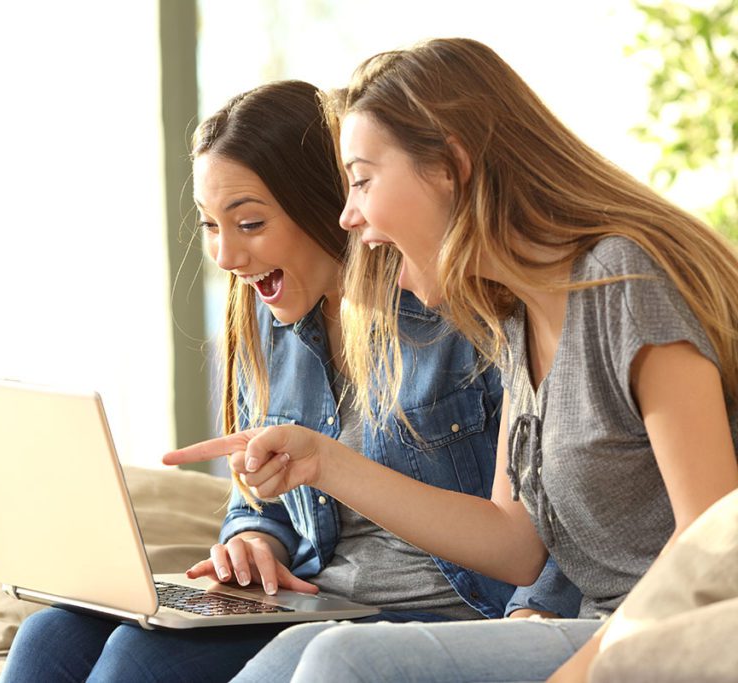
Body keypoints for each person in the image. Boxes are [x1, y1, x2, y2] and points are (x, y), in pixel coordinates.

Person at [165, 38, 738, 682]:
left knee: (341, 659)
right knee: (290, 658)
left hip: (674, 639)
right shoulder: (517, 319)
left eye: (360, 181)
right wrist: (322, 461)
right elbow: (515, 546)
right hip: (599, 630)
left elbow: (713, 551)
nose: (348, 216)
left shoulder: (622, 281)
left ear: (448, 168)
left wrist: (571, 672)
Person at [0, 79, 577, 683]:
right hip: (316, 602)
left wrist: (534, 617)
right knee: (52, 634)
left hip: (440, 614)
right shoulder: (268, 318)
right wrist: (256, 540)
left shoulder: (457, 307)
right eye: (210, 225)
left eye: (248, 223)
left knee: (140, 662)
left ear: (327, 201)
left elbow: (558, 504)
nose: (224, 256)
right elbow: (263, 499)